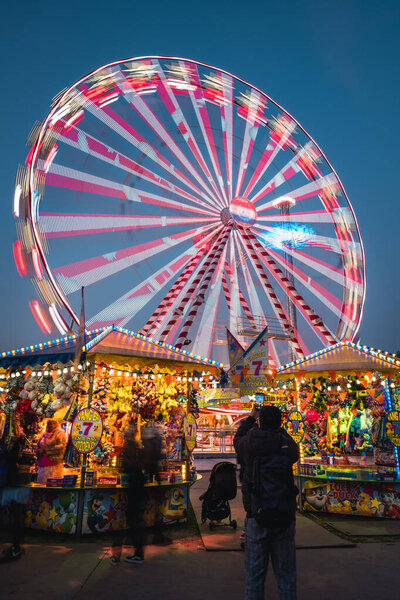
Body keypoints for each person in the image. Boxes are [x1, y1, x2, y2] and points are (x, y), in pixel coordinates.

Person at [234, 405, 299, 600]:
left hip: (257, 513)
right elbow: (295, 452)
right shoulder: (286, 444)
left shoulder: (249, 442)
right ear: (279, 423)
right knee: (286, 576)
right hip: (284, 515)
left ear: (260, 421)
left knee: (254, 577)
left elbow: (237, 439)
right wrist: (280, 428)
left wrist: (250, 418)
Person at [110, 423, 146, 565]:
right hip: (136, 487)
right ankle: (134, 552)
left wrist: (124, 467)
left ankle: (129, 554)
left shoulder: (130, 448)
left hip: (134, 487)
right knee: (132, 521)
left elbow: (130, 465)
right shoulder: (136, 447)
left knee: (131, 521)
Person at [0, 415, 31, 563]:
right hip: (11, 482)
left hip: (11, 482)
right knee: (16, 516)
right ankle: (16, 546)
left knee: (16, 516)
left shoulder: (11, 445)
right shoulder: (12, 444)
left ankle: (16, 546)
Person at [36, 419, 66, 485]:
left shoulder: (60, 433)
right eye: (49, 423)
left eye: (52, 423)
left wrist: (47, 450)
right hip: (43, 464)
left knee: (51, 483)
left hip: (53, 464)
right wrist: (39, 451)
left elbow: (61, 447)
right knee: (42, 483)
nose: (50, 425)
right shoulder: (43, 434)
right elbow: (38, 446)